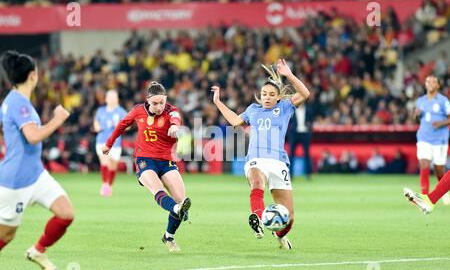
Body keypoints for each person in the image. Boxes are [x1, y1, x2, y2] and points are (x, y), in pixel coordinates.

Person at [211, 59, 310, 249]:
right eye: (264, 93)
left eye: (271, 94)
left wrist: (289, 74)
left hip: (278, 163)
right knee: (256, 183)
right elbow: (235, 121)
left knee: (289, 218)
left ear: (278, 97)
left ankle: (280, 235)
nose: (266, 97)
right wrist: (218, 102)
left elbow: (305, 93)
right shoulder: (253, 110)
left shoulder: (285, 108)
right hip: (256, 160)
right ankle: (258, 219)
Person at [0, 50, 74, 270]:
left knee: (65, 213)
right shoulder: (17, 103)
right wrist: (58, 119)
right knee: (6, 235)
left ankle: (38, 250)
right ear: (33, 75)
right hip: (16, 180)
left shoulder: (19, 100)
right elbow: (32, 136)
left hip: (36, 174)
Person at [103, 81, 191, 253]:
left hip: (167, 161)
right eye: (155, 103)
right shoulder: (137, 111)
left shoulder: (171, 111)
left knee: (181, 202)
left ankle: (168, 236)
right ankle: (174, 208)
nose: (159, 107)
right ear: (148, 101)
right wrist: (109, 144)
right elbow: (121, 126)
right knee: (162, 193)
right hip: (145, 160)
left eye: (162, 103)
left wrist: (174, 126)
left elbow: (176, 119)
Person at [414, 75, 450, 204]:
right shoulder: (420, 101)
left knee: (439, 169)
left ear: (438, 85)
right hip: (424, 137)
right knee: (424, 163)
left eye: (433, 81)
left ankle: (441, 192)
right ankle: (424, 195)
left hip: (440, 139)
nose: (430, 83)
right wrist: (416, 116)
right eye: (428, 81)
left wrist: (441, 123)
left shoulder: (443, 101)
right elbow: (416, 120)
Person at [94, 89, 127, 197]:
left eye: (114, 97)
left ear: (117, 99)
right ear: (106, 99)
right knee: (105, 162)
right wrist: (97, 127)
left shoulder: (121, 111)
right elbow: (96, 123)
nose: (112, 99)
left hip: (115, 143)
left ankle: (109, 186)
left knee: (113, 167)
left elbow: (129, 125)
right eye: (110, 97)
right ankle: (105, 185)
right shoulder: (101, 110)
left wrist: (121, 126)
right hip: (102, 141)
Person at [288, 94, 314, 179]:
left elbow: (311, 122)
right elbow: (288, 122)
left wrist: (309, 129)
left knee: (306, 154)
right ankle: (290, 174)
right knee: (291, 155)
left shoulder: (309, 110)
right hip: (294, 134)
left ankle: (308, 174)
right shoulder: (292, 110)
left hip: (305, 134)